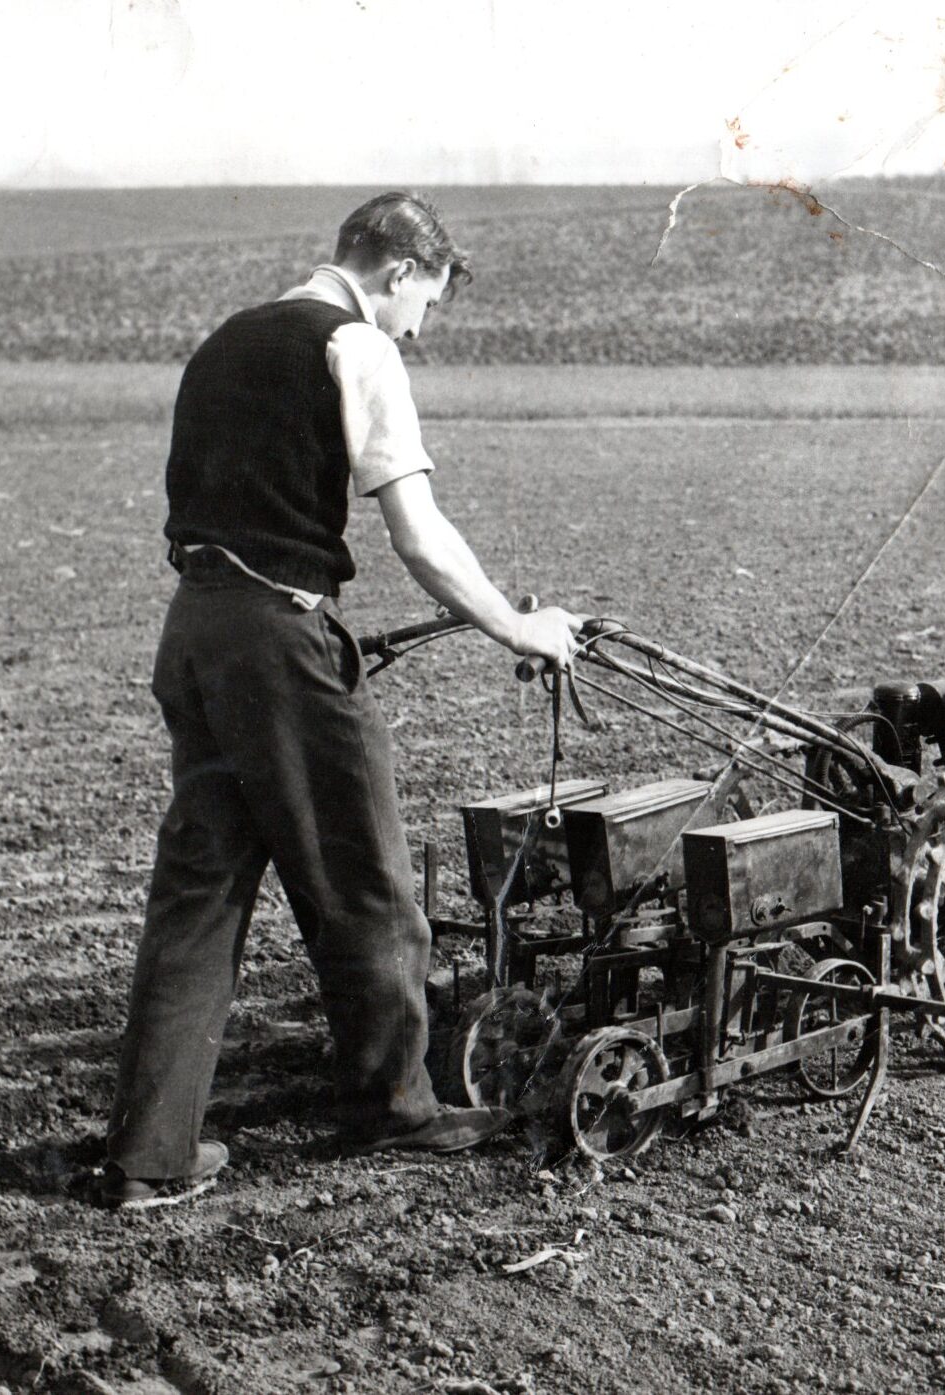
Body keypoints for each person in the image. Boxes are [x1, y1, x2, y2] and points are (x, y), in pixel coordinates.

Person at [100, 192, 583, 1207]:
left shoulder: (224, 341)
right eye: (427, 303)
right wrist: (517, 625)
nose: (420, 328)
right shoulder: (355, 347)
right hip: (279, 639)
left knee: (199, 898)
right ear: (399, 271)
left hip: (196, 630)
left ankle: (150, 1156)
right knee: (368, 879)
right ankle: (391, 1108)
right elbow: (418, 534)